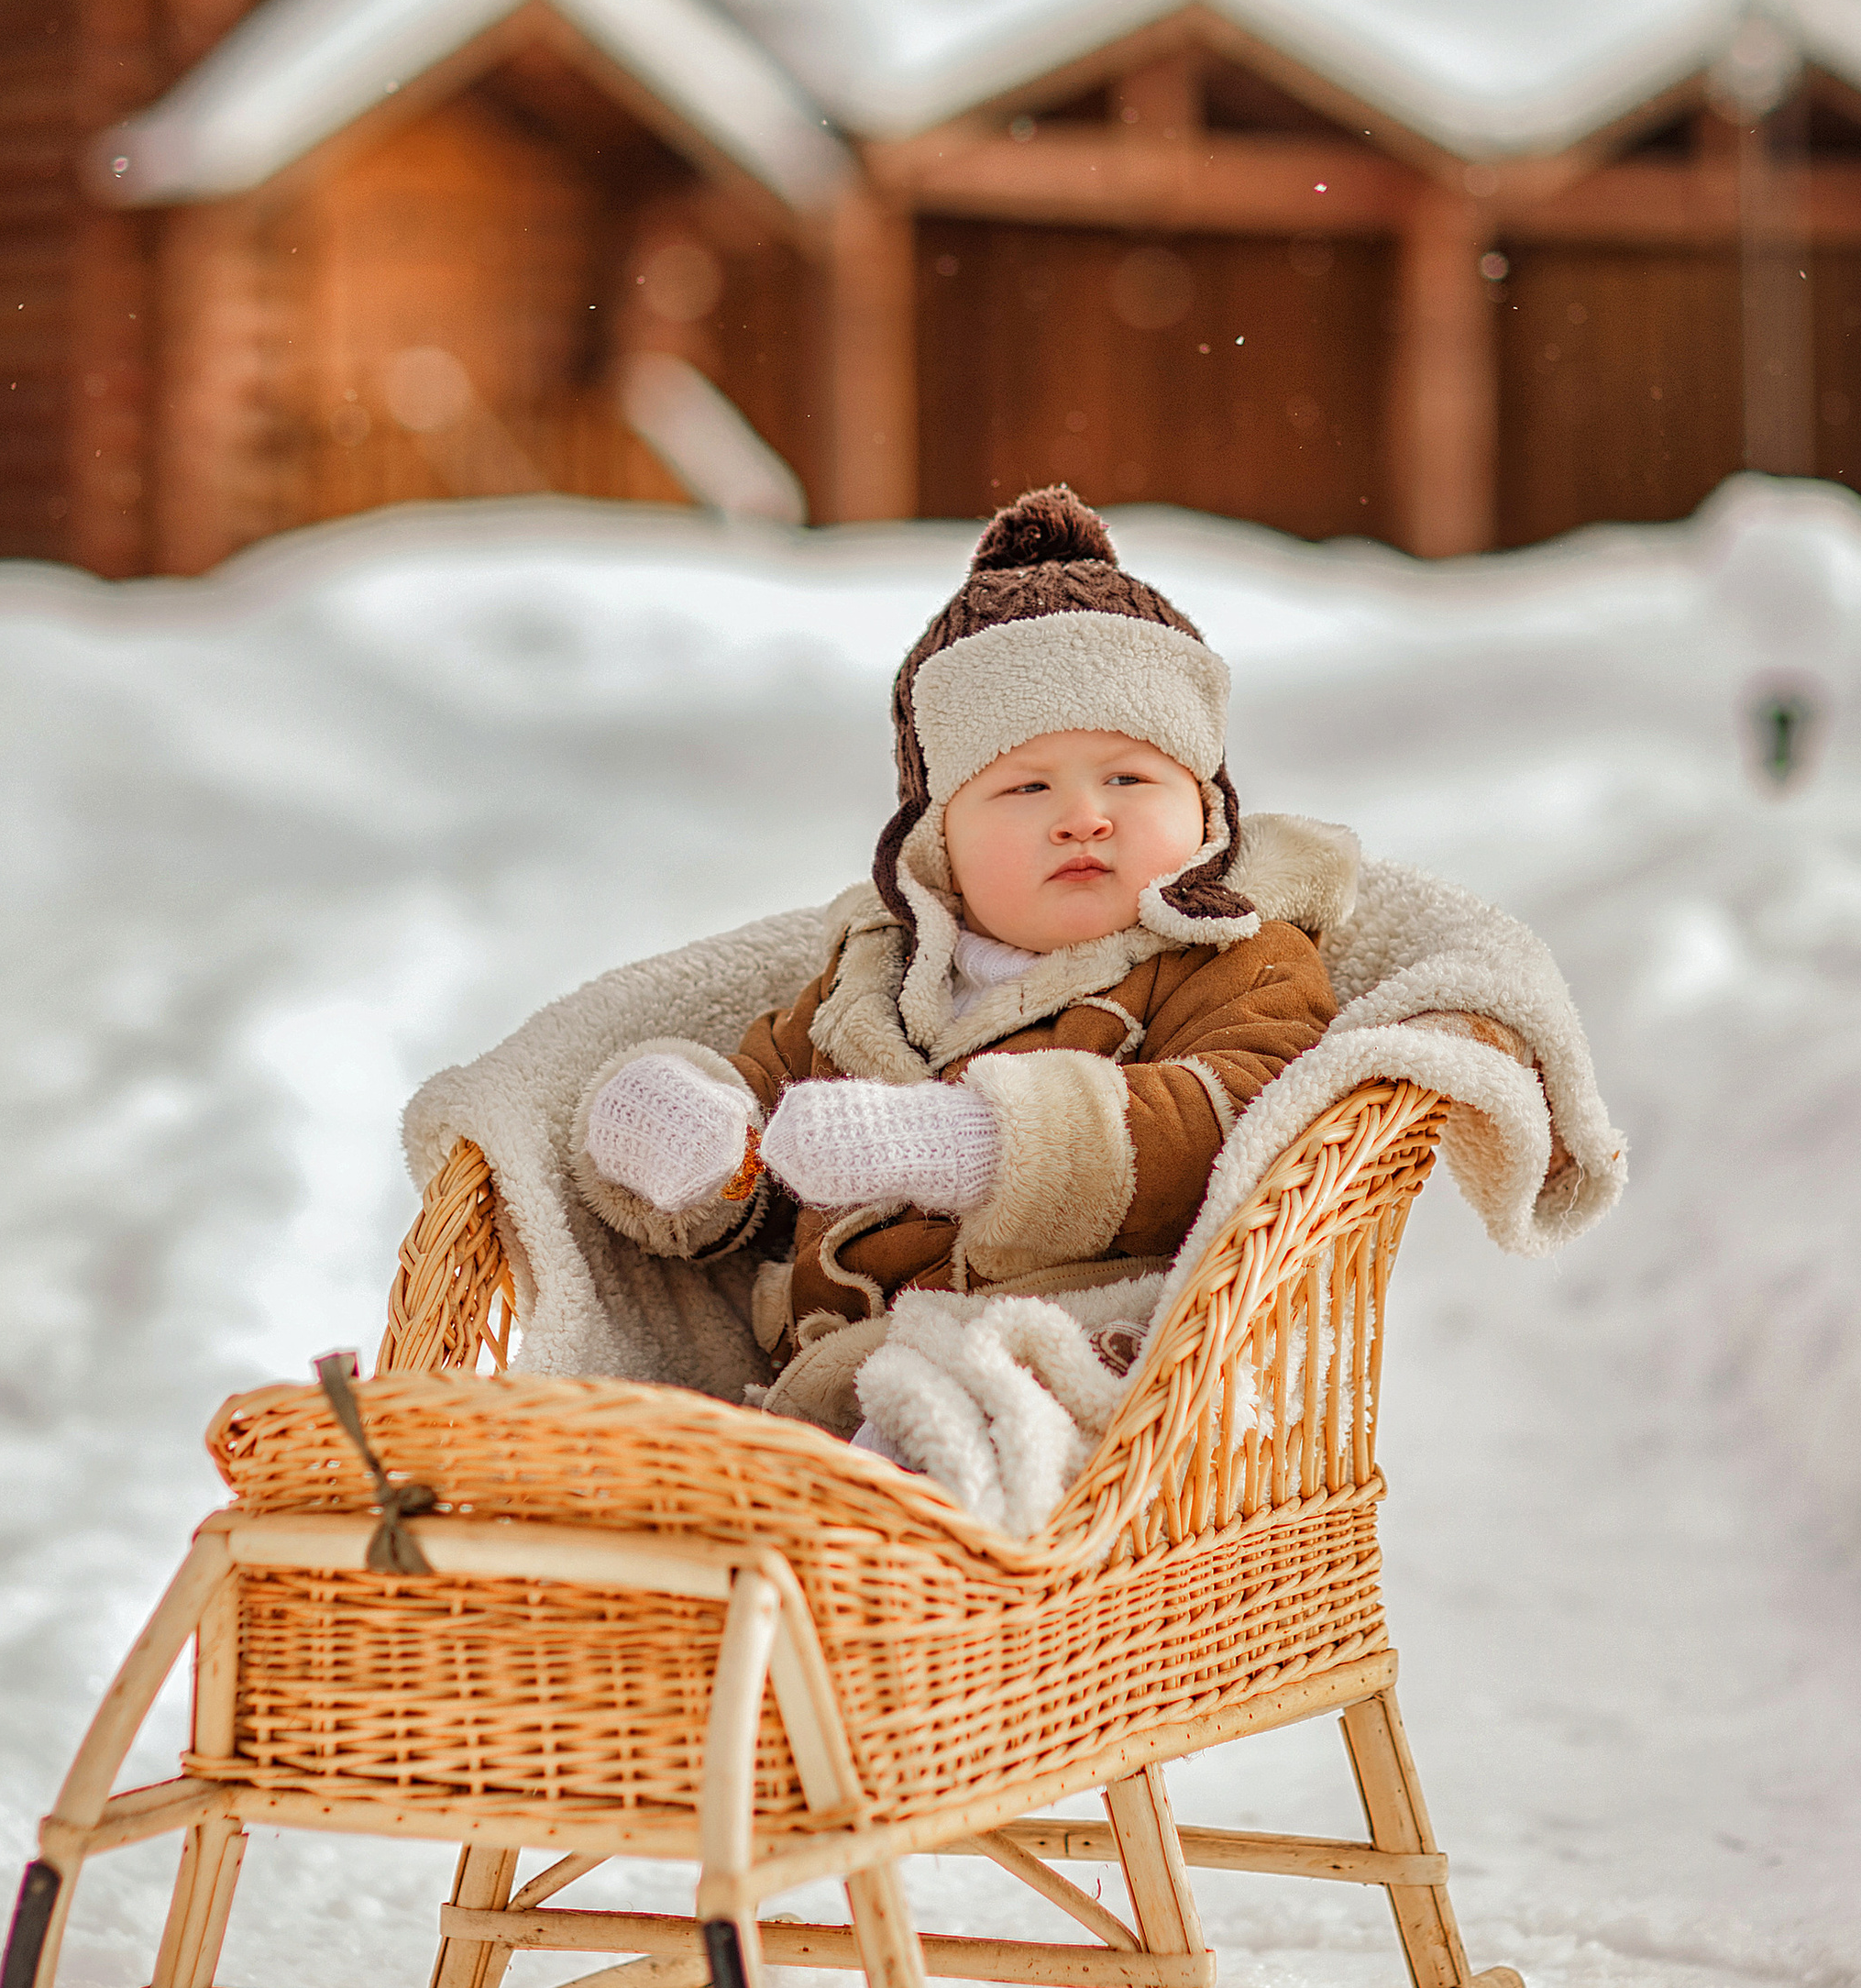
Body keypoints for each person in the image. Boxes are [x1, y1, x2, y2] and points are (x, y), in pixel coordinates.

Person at [572, 483, 1348, 1429]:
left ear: (1206, 807)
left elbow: (1249, 1123)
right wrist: (696, 1140)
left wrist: (978, 1143)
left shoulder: (1232, 952)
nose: (1083, 817)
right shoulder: (879, 978)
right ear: (938, 842)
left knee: (971, 1414)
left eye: (1128, 777)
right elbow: (773, 1131)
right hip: (839, 1387)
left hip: (1084, 1363)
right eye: (1026, 787)